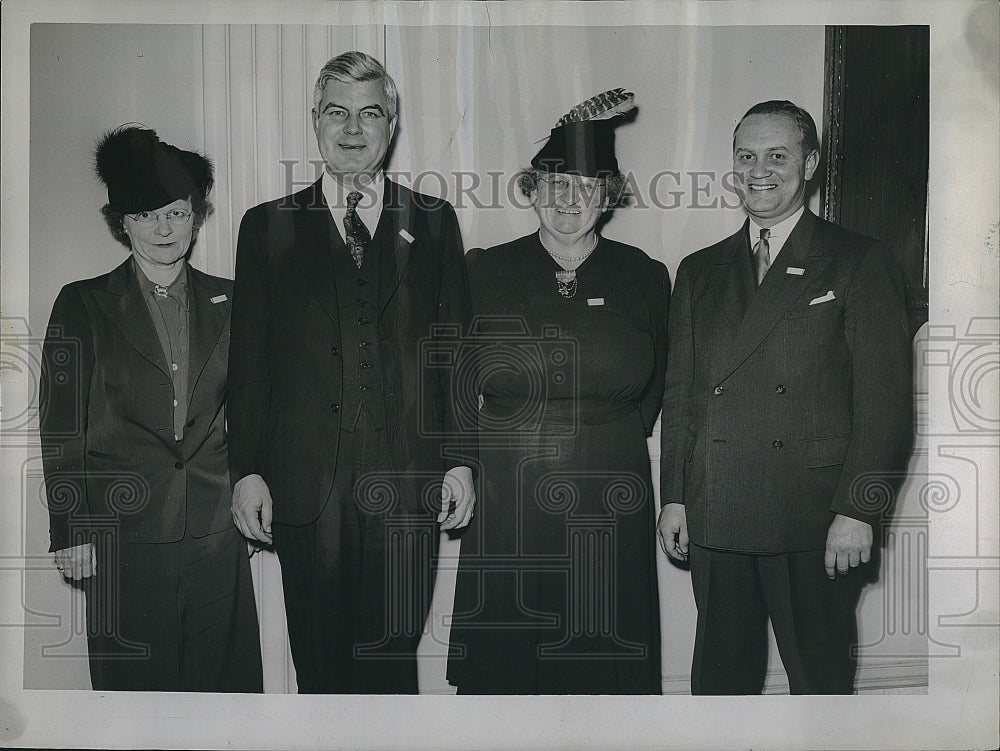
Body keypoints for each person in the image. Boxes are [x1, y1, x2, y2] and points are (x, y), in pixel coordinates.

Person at [227, 51, 476, 694]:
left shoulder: (433, 220)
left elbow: (454, 350)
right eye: (337, 111)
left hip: (406, 483)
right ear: (315, 122)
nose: (353, 127)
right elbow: (248, 362)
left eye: (370, 112)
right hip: (308, 489)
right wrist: (248, 470)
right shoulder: (265, 227)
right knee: (319, 669)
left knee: (393, 669)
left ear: (391, 125)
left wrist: (459, 460)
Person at [658, 100, 913, 694]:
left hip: (816, 516)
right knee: (722, 685)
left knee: (819, 685)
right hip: (718, 508)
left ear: (811, 163)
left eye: (777, 156)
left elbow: (886, 403)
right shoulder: (699, 270)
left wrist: (859, 508)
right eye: (746, 156)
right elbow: (684, 394)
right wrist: (676, 497)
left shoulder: (860, 259)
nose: (759, 170)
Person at [447, 92, 669, 694]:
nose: (569, 201)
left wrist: (602, 428)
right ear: (532, 188)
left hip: (611, 487)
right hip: (508, 491)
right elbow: (458, 378)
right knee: (509, 664)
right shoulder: (483, 271)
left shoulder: (645, 275)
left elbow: (656, 385)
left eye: (587, 186)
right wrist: (462, 464)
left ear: (609, 195)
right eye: (554, 184)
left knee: (602, 660)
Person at [39, 125, 263, 692]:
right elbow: (60, 430)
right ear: (123, 223)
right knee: (133, 704)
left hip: (216, 538)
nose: (164, 228)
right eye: (147, 216)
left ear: (196, 215)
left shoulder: (234, 300)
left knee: (225, 701)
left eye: (177, 212)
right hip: (122, 540)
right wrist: (70, 529)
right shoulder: (83, 303)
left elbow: (257, 412)